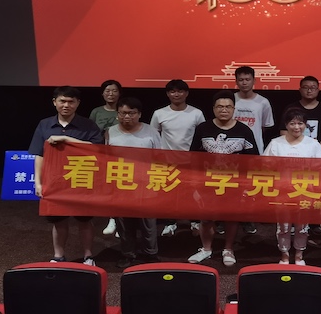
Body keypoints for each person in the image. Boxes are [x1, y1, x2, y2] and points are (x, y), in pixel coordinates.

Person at [28, 86, 102, 265]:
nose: (66, 105)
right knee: (58, 220)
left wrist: (66, 139)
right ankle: (58, 256)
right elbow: (39, 155)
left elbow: (97, 149)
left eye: (71, 101)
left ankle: (88, 256)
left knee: (84, 220)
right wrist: (38, 182)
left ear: (78, 103)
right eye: (62, 101)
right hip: (54, 181)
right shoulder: (44, 124)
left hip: (81, 179)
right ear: (55, 102)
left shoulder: (88, 125)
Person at [188, 90, 259, 267]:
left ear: (234, 109)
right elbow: (193, 157)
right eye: (220, 106)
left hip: (234, 183)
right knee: (206, 218)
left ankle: (228, 249)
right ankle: (206, 248)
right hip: (207, 182)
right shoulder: (203, 128)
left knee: (231, 217)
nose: (224, 110)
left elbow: (252, 160)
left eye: (228, 106)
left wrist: (248, 184)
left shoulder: (244, 130)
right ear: (213, 108)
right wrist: (194, 182)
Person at [263, 107, 321, 265]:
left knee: (302, 226)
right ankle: (284, 255)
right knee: (283, 226)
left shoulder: (313, 144)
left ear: (305, 125)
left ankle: (299, 255)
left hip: (305, 191)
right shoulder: (276, 143)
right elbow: (265, 165)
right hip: (282, 191)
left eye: (300, 123)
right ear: (286, 125)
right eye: (292, 123)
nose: (296, 127)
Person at [280, 75, 321, 235]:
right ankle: (292, 223)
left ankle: (314, 223)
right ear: (300, 89)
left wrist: (315, 148)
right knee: (292, 191)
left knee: (315, 190)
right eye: (305, 87)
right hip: (292, 158)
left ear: (318, 90)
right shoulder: (291, 108)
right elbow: (283, 131)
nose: (309, 90)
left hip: (315, 159)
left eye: (313, 87)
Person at [107, 97, 162, 268]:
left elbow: (159, 157)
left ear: (139, 114)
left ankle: (150, 254)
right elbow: (105, 158)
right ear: (117, 114)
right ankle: (128, 254)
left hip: (146, 184)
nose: (127, 117)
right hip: (121, 184)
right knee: (124, 223)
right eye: (123, 113)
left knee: (148, 223)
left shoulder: (151, 131)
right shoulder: (110, 132)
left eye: (131, 113)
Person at [150, 79, 205, 237]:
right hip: (167, 161)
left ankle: (194, 221)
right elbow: (153, 135)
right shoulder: (159, 113)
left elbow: (202, 135)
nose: (176, 94)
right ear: (168, 94)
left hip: (190, 161)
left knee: (193, 193)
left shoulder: (196, 113)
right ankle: (170, 223)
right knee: (169, 193)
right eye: (173, 91)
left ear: (186, 93)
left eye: (180, 91)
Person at [233, 66, 274, 234]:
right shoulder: (230, 99)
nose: (244, 83)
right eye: (241, 80)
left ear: (254, 81)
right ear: (236, 81)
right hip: (232, 151)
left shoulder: (263, 102)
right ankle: (226, 218)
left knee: (250, 187)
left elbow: (265, 127)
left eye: (247, 79)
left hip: (254, 151)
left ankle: (248, 218)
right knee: (230, 186)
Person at [89, 79, 123, 236]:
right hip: (102, 154)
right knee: (108, 187)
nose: (111, 94)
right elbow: (90, 131)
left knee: (120, 186)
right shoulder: (96, 112)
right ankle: (112, 218)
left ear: (119, 93)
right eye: (108, 91)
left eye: (114, 91)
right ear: (102, 94)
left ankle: (119, 220)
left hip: (121, 154)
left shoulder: (123, 109)